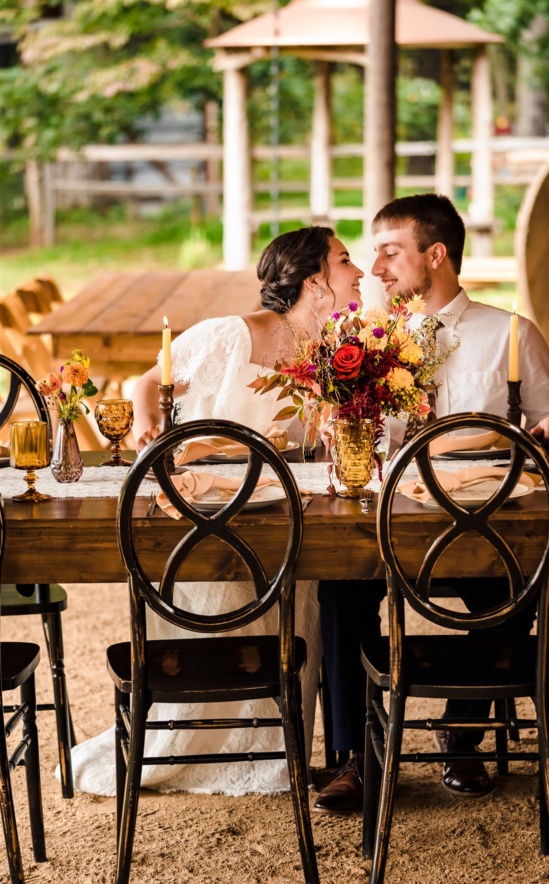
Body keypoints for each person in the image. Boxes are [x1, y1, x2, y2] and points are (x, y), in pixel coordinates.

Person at [69, 226, 364, 797]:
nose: (357, 273)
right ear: (314, 282)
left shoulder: (331, 352)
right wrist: (151, 425)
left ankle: (280, 751)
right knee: (218, 618)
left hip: (286, 519)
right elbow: (145, 381)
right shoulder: (230, 335)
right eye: (344, 261)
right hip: (212, 518)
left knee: (303, 600)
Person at [314, 194, 549, 814]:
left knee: (519, 583)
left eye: (389, 252)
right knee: (337, 586)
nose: (376, 267)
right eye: (371, 253)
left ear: (436, 255)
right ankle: (357, 754)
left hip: (483, 529)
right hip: (389, 525)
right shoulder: (372, 341)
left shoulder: (509, 333)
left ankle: (462, 734)